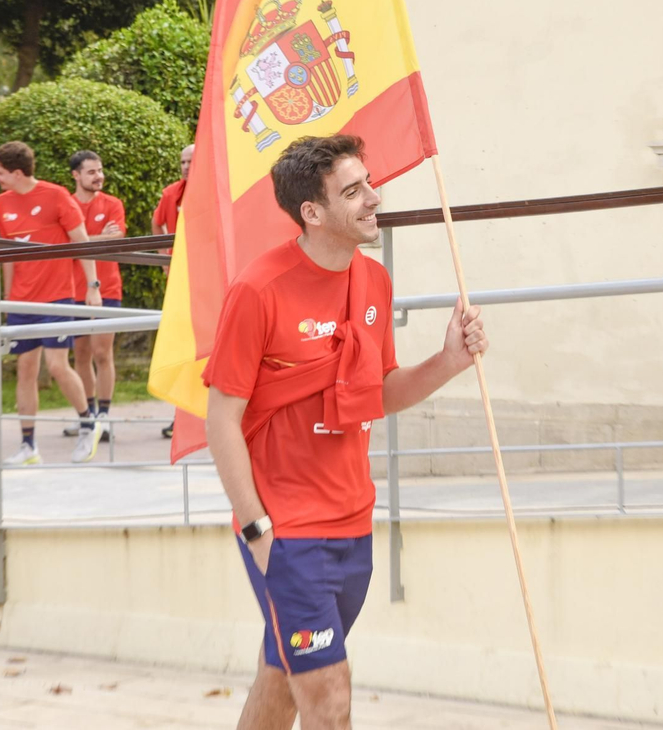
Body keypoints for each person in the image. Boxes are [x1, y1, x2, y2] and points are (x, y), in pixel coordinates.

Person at [205, 135, 487, 730]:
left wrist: (449, 361)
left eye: (369, 183)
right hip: (287, 532)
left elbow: (376, 392)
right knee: (329, 697)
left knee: (282, 680)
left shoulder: (374, 283)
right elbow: (222, 418)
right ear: (312, 212)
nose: (373, 198)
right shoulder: (259, 289)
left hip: (353, 522)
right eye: (353, 191)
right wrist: (258, 529)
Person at [0, 141, 104, 464]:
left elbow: (82, 242)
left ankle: (88, 423)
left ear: (16, 172)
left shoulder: (55, 196)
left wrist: (93, 287)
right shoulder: (1, 203)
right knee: (25, 370)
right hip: (22, 302)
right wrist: (7, 299)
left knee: (56, 365)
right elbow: (8, 255)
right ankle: (29, 446)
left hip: (56, 297)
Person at [64, 150, 126, 441]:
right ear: (76, 175)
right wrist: (96, 237)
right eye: (91, 172)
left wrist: (82, 239)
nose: (98, 176)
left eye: (100, 170)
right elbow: (64, 243)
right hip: (73, 290)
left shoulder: (113, 204)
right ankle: (87, 417)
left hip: (107, 287)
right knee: (81, 355)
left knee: (103, 353)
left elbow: (116, 238)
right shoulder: (66, 204)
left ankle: (104, 415)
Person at [152, 143, 193, 439]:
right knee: (181, 350)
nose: (187, 167)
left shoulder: (217, 191)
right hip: (180, 287)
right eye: (182, 162)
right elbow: (157, 226)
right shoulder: (171, 193)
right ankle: (181, 415)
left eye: (191, 161)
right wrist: (165, 261)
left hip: (212, 287)